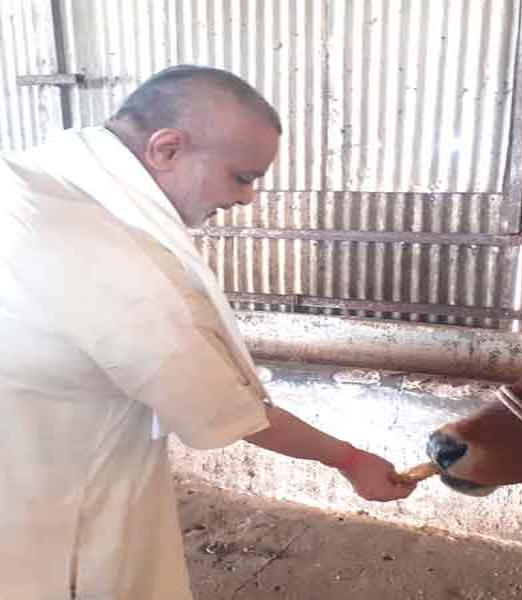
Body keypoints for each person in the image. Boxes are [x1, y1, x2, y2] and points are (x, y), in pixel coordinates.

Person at [0, 65, 415, 599]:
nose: (246, 199)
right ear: (166, 149)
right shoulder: (111, 255)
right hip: (54, 518)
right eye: (242, 177)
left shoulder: (27, 184)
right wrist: (350, 459)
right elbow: (227, 407)